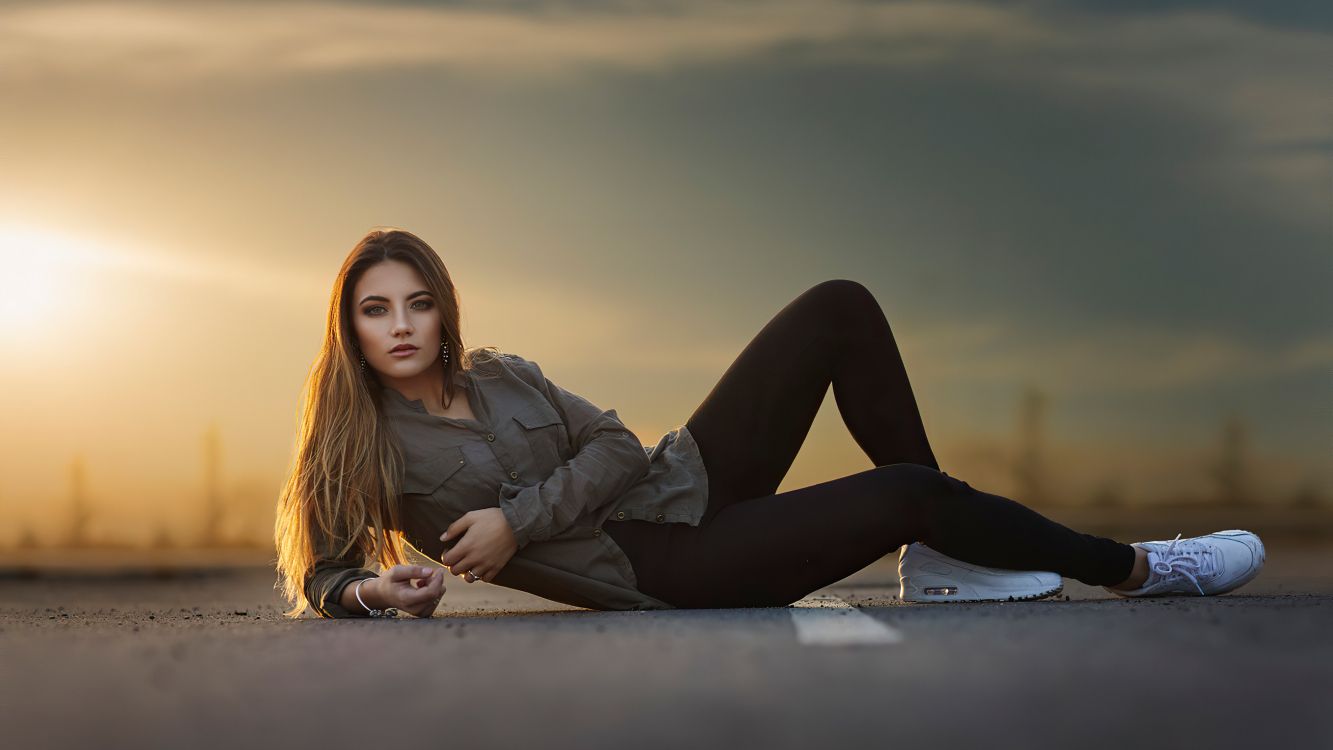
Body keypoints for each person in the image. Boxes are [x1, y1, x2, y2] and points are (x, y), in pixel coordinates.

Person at [274, 228, 1266, 619]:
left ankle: (948, 560)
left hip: (680, 482)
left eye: (416, 303)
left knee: (838, 303)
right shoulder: (363, 447)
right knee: (905, 494)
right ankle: (1137, 567)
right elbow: (323, 573)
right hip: (657, 567)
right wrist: (379, 591)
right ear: (350, 325)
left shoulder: (502, 373)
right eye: (375, 309)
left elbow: (617, 445)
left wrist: (515, 524)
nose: (400, 327)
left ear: (444, 307)